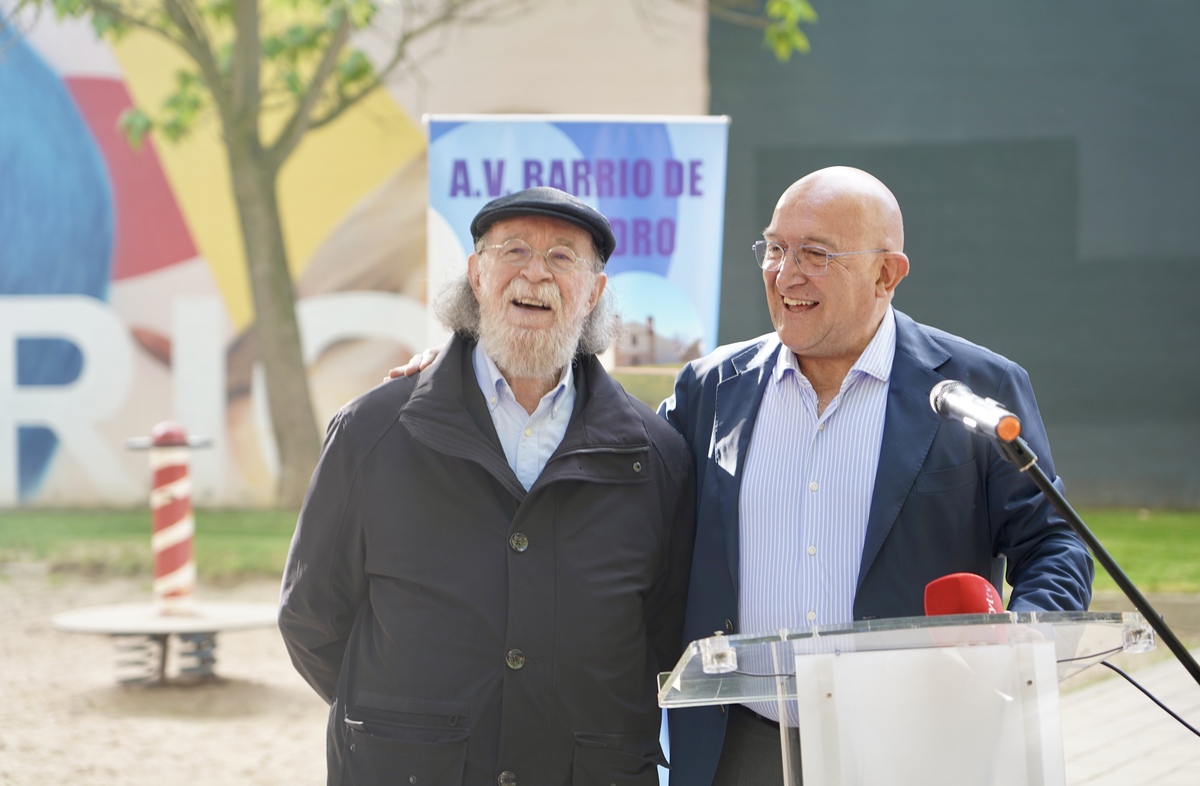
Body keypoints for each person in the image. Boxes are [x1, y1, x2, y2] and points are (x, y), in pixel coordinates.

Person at [387, 167, 1094, 785]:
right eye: (775, 249)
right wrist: (472, 370)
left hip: (908, 737)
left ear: (887, 273)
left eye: (815, 254)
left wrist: (1018, 645)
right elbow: (600, 445)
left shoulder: (972, 390)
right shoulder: (713, 388)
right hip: (736, 748)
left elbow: (1054, 545)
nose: (786, 275)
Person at [279, 187, 696, 786]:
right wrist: (407, 728)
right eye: (515, 250)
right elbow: (312, 619)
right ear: (477, 275)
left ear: (594, 293)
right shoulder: (372, 433)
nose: (535, 272)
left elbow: (665, 638)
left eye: (563, 258)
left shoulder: (656, 457)